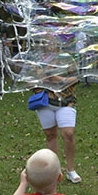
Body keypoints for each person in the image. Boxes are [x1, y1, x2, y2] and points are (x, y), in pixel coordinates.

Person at [30, 48, 81, 184]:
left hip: (66, 101)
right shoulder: (37, 59)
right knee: (50, 135)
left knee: (68, 133)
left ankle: (70, 169)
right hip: (44, 101)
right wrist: (51, 79)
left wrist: (58, 79)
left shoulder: (67, 58)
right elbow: (31, 80)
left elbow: (76, 78)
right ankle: (54, 170)